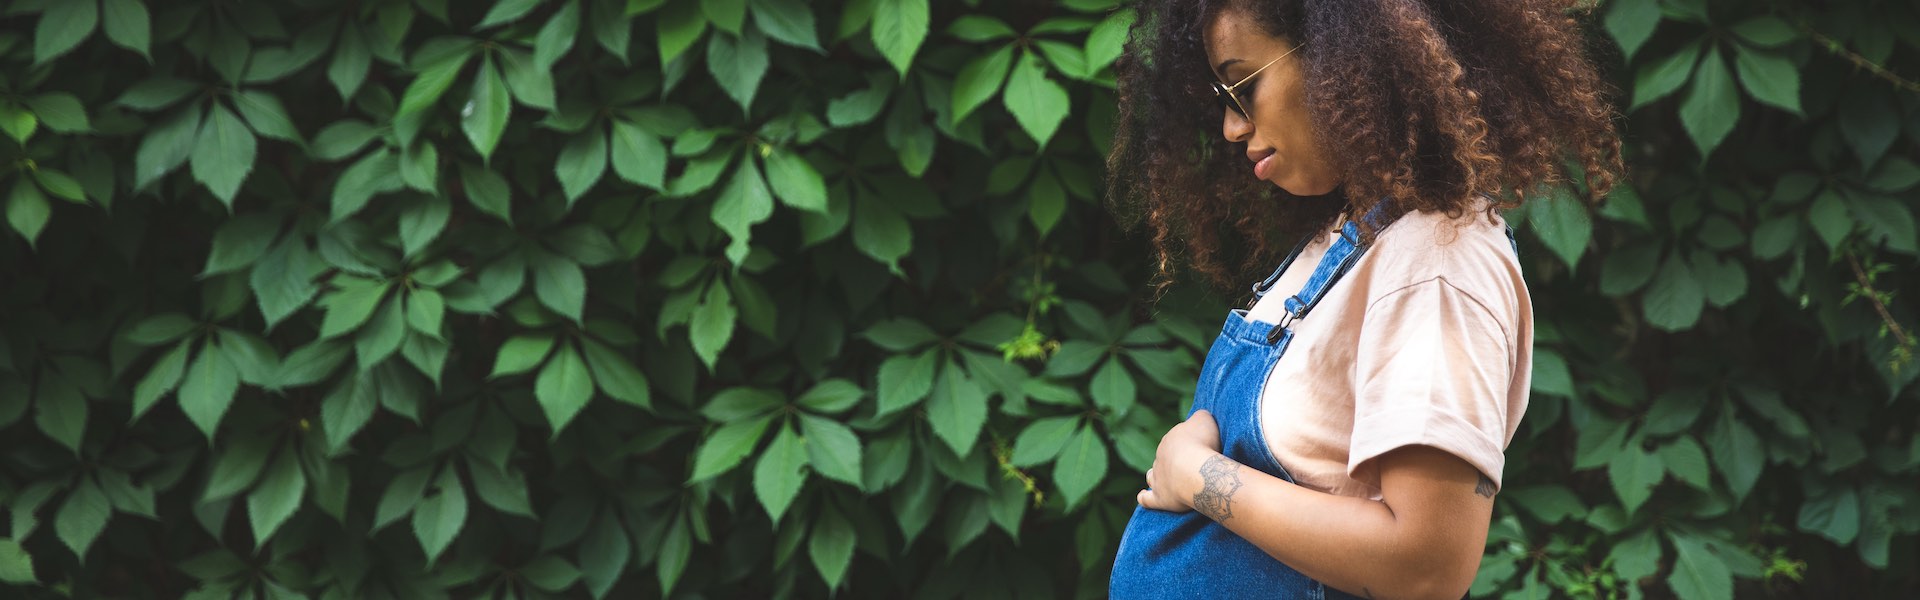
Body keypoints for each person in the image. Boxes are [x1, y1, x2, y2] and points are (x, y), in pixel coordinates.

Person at [1103, 0, 1622, 598]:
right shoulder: (1355, 241)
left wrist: (1198, 476)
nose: (1232, 127)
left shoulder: (1437, 260)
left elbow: (1427, 565)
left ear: (1335, 54)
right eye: (1221, 101)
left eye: (1242, 86)